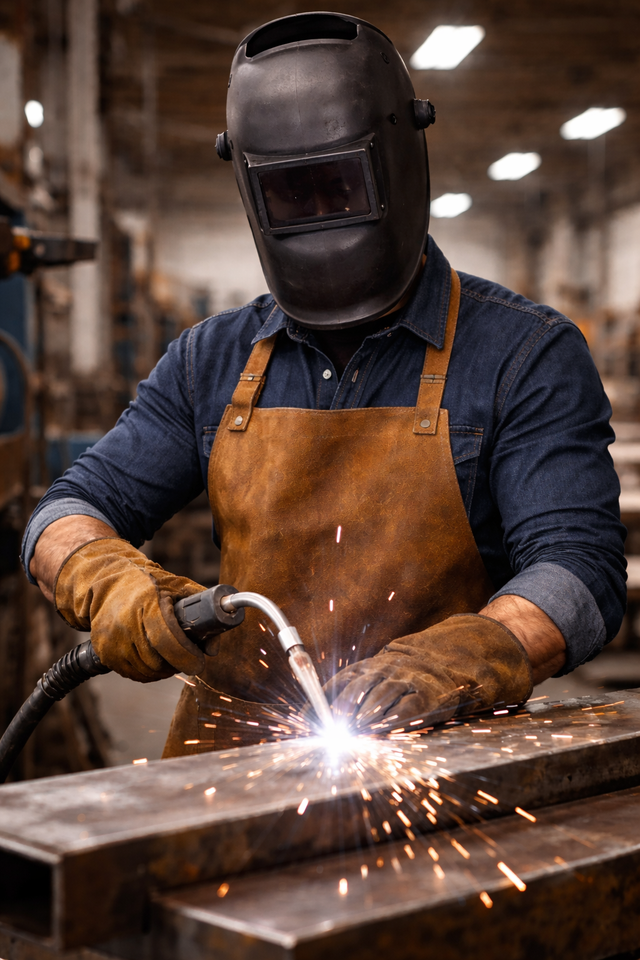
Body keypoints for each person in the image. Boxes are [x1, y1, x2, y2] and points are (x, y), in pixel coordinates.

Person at [23, 12, 625, 755]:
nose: (317, 218)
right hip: (239, 757)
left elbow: (580, 567)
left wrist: (470, 653)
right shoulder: (208, 358)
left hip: (438, 758)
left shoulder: (524, 353)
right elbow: (64, 510)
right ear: (250, 192)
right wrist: (104, 576)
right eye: (289, 195)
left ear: (396, 165)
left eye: (339, 186)